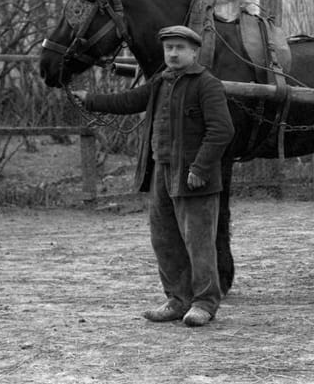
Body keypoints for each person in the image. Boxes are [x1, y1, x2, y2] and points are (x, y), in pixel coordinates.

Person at [73, 25, 235, 326]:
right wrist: (90, 99)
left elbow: (222, 130)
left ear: (194, 52)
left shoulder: (206, 84)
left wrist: (199, 168)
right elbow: (130, 100)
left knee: (198, 241)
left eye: (179, 48)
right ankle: (177, 300)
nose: (173, 53)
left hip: (194, 177)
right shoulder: (162, 81)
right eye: (168, 48)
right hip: (162, 171)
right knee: (164, 239)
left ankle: (204, 303)